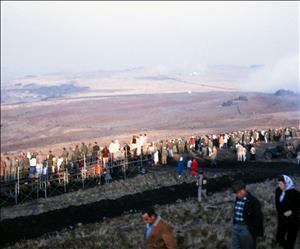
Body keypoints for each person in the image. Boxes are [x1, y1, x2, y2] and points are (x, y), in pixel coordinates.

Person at [231, 180, 264, 249]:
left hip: (246, 228)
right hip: (235, 226)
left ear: (243, 190)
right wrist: (234, 225)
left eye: (238, 193)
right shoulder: (238, 199)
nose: (236, 195)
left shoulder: (253, 201)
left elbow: (258, 218)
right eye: (235, 193)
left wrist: (253, 231)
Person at [275, 175, 300, 249]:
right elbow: (277, 204)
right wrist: (281, 213)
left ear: (286, 183)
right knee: (279, 238)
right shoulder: (278, 191)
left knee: (291, 241)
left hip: (293, 221)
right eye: (278, 183)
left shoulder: (295, 194)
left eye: (281, 184)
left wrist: (292, 211)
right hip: (282, 219)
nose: (279, 185)